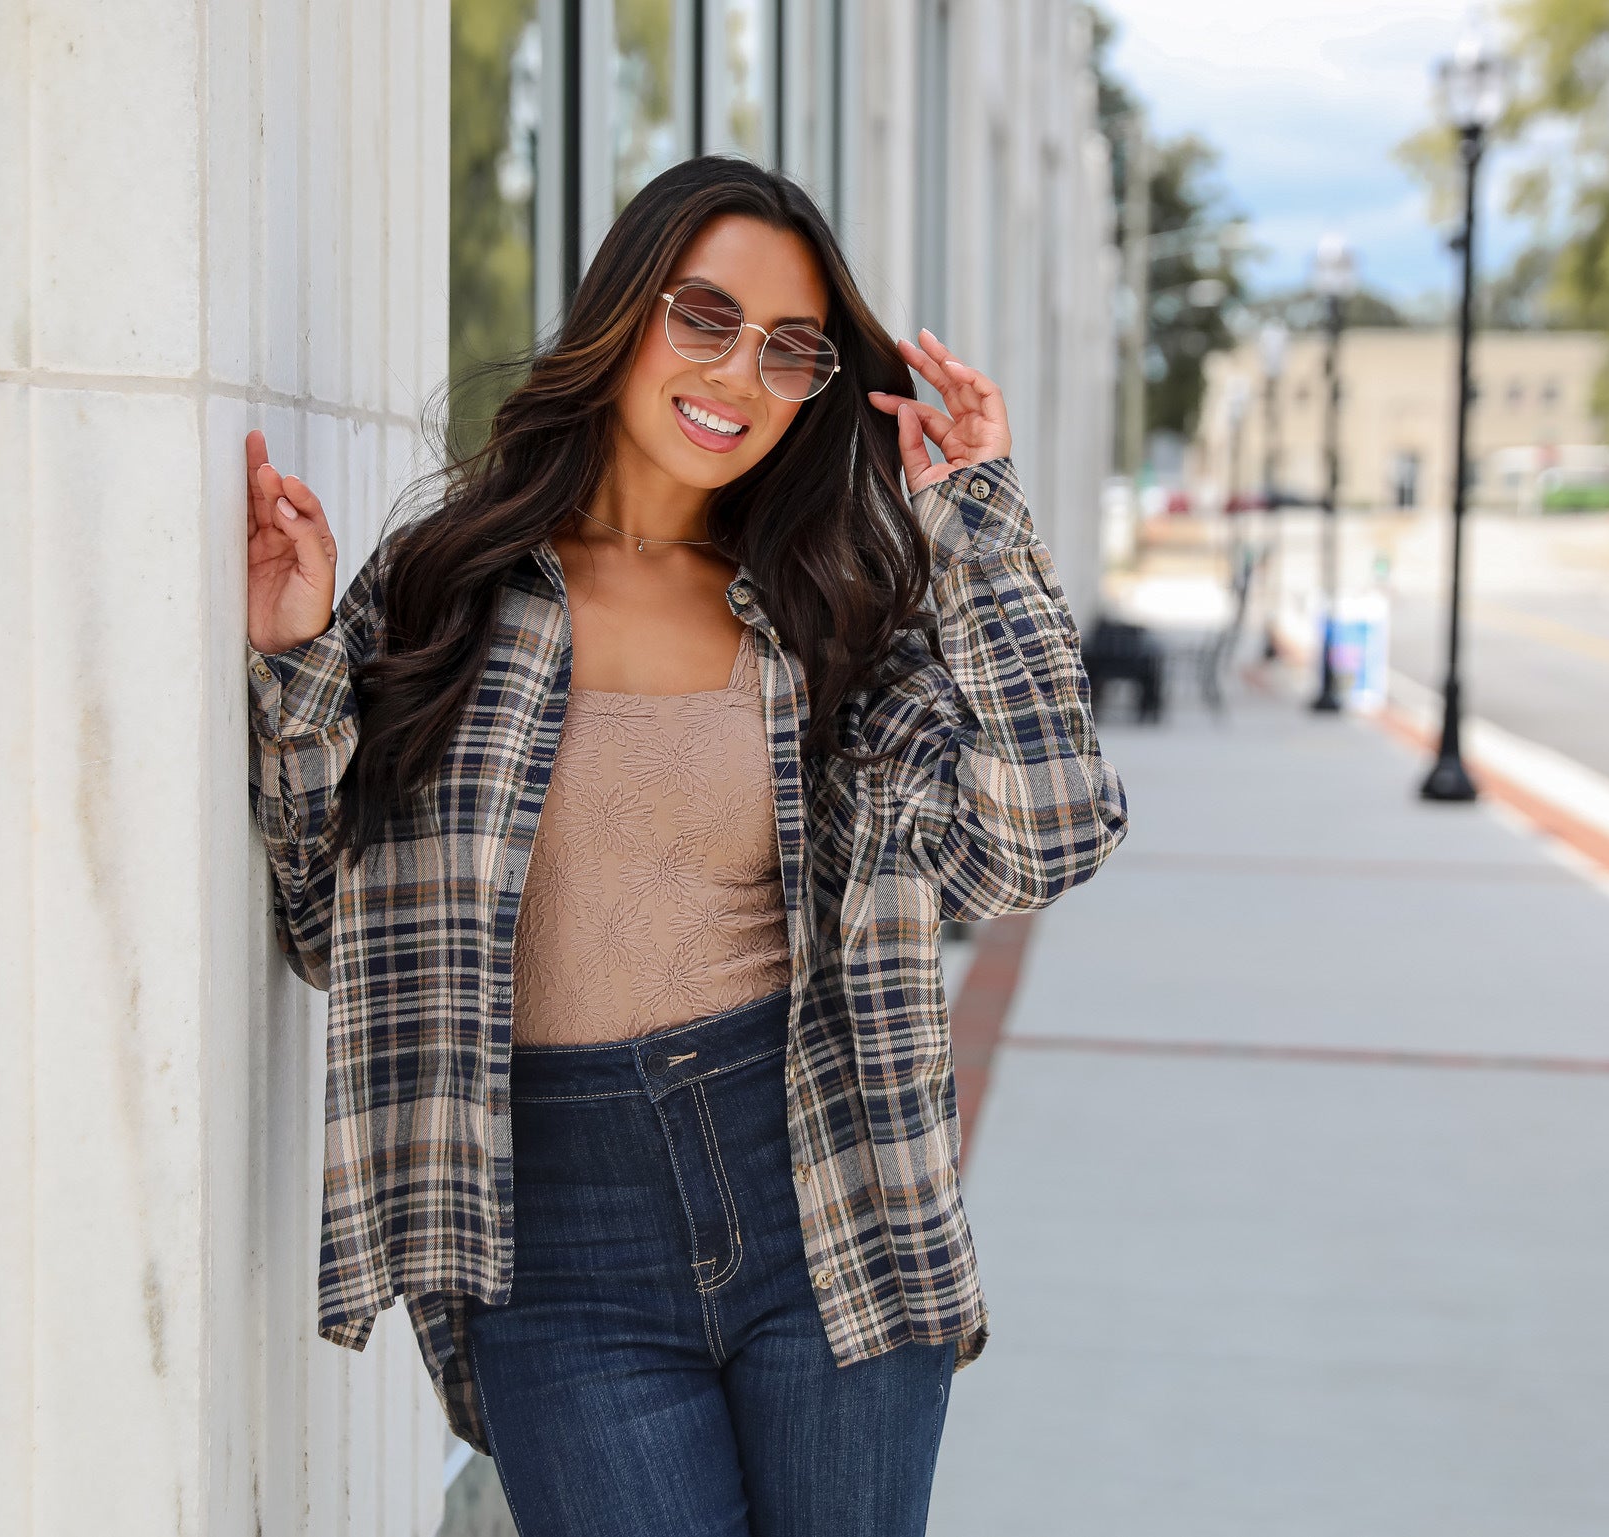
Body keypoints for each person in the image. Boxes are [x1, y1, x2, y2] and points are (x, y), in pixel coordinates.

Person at [242, 156, 1125, 1536]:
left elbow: (1045, 839)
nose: (739, 376)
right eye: (703, 317)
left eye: (791, 350)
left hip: (823, 1195)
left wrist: (981, 532)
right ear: (622, 312)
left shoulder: (833, 610)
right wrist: (298, 667)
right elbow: (319, 926)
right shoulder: (447, 588)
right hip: (555, 1233)